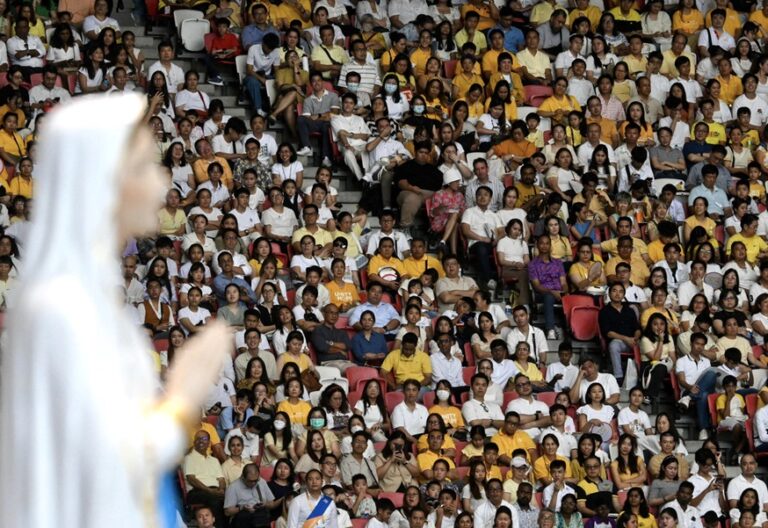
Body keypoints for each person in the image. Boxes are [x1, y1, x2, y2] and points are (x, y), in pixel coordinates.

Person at [0, 96, 232, 527]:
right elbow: (99, 458)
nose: (163, 183)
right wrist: (182, 396)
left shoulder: (92, 300)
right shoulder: (61, 305)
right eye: (145, 167)